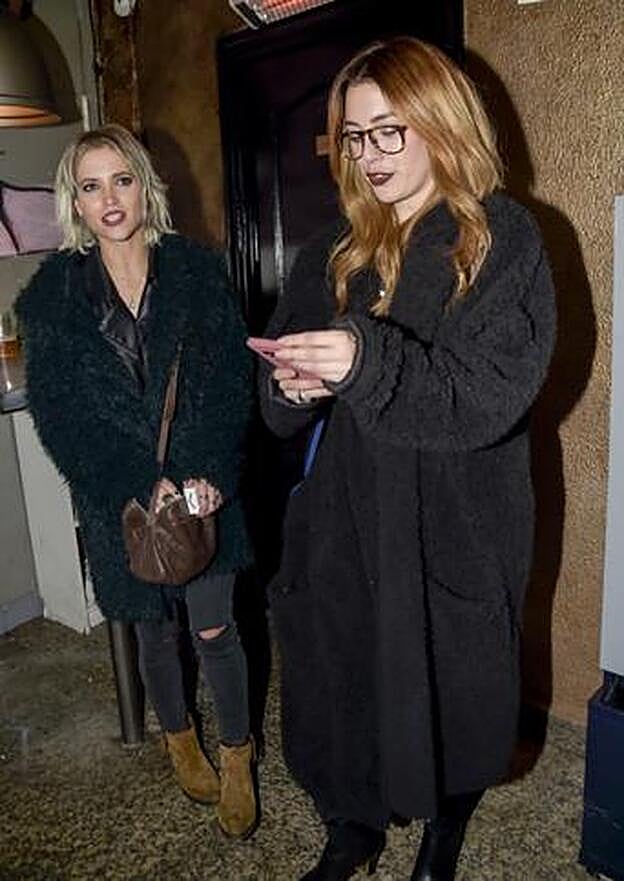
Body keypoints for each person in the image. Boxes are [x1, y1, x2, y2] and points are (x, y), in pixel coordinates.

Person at [258, 37, 556, 881]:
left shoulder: (501, 238)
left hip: (455, 515)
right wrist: (291, 388)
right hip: (346, 515)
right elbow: (275, 408)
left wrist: (364, 361)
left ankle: (445, 828)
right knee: (342, 668)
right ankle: (352, 822)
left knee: (450, 677)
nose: (371, 155)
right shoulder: (330, 251)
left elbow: (487, 398)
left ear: (439, 122)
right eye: (357, 136)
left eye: (391, 130)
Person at [15, 124, 257, 840]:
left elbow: (230, 381)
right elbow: (60, 415)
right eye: (91, 186)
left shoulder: (196, 271)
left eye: (121, 179)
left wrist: (206, 471)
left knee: (215, 626)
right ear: (76, 203)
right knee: (153, 629)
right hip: (118, 496)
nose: (109, 198)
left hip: (201, 491)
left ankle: (240, 756)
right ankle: (179, 738)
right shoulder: (50, 298)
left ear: (144, 186)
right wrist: (134, 478)